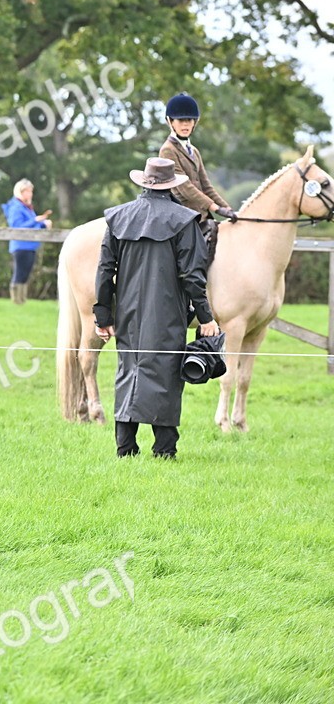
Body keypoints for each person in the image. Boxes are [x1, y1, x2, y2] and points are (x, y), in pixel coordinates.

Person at [94, 157, 220, 459]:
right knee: (165, 374)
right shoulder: (184, 220)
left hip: (126, 313)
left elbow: (104, 270)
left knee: (129, 370)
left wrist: (103, 316)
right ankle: (164, 449)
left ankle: (125, 447)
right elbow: (193, 275)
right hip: (167, 312)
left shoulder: (118, 217)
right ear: (170, 185)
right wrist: (206, 317)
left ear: (144, 183)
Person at [158, 92, 238, 264]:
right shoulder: (168, 150)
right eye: (181, 120)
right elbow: (184, 187)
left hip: (200, 214)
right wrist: (214, 207)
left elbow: (206, 186)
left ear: (195, 122)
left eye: (189, 120)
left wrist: (227, 208)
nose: (186, 124)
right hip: (181, 214)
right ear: (170, 122)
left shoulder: (194, 151)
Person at [0, 178, 51, 305]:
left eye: (31, 191)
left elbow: (31, 226)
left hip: (30, 245)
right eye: (28, 191)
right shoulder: (16, 207)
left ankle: (21, 300)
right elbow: (17, 225)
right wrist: (36, 220)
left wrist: (43, 224)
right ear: (20, 192)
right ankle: (16, 300)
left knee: (25, 273)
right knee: (20, 273)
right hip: (20, 245)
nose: (30, 194)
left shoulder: (27, 207)